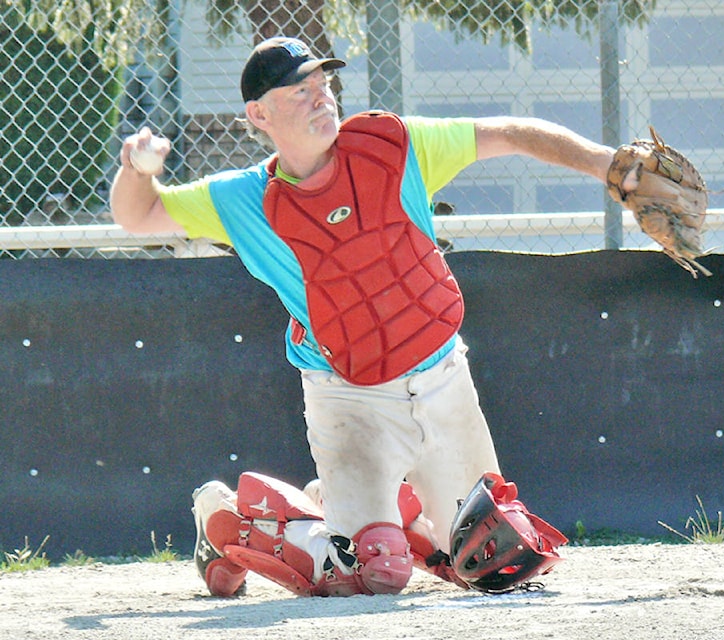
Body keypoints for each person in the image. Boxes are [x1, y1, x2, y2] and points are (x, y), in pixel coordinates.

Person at [110, 36, 616, 597]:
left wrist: (610, 165)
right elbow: (140, 216)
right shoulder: (243, 198)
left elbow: (510, 133)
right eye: (299, 91)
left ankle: (355, 508)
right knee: (371, 571)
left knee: (492, 556)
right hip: (348, 395)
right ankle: (227, 519)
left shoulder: (390, 146)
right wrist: (138, 168)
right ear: (258, 114)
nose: (320, 97)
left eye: (323, 85)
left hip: (442, 377)